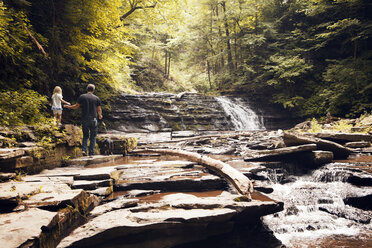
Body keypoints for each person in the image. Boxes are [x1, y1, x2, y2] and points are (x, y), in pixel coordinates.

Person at [64, 84, 103, 157]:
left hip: (85, 119)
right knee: (93, 137)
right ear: (93, 90)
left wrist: (68, 106)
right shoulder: (96, 98)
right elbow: (99, 109)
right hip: (94, 119)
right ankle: (91, 153)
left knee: (85, 135)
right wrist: (100, 115)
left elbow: (76, 107)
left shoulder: (82, 97)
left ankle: (84, 150)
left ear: (87, 89)